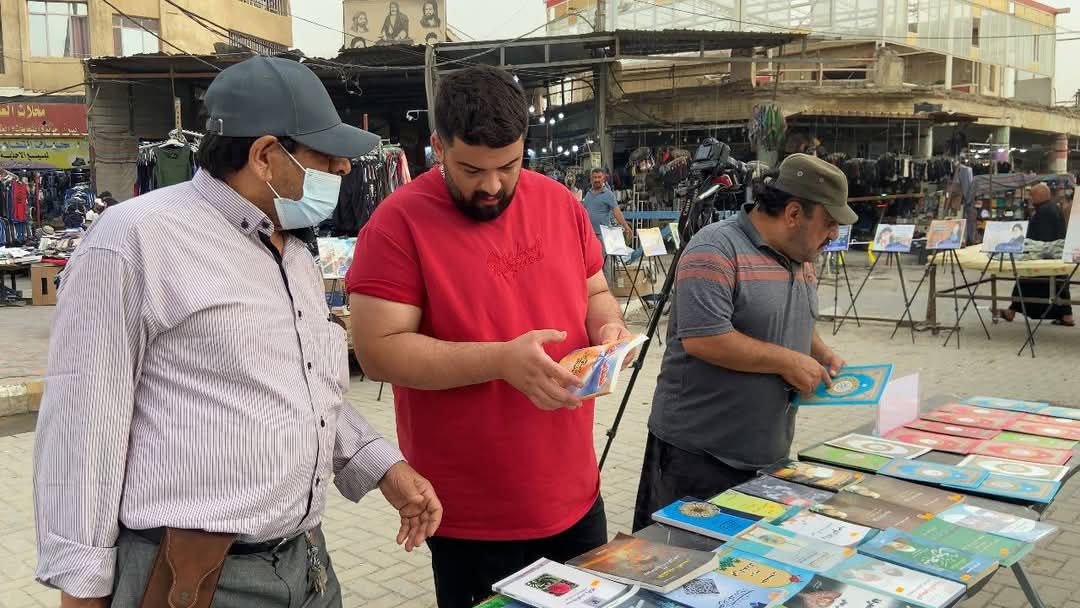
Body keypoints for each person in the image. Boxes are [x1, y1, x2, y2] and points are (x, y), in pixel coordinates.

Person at [33, 56, 442, 608]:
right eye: (325, 156)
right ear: (266, 155)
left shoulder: (292, 251)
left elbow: (304, 386)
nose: (345, 168)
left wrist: (382, 467)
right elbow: (84, 426)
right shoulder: (134, 241)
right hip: (196, 580)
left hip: (306, 563)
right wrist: (82, 590)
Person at [346, 65, 631, 608]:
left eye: (509, 166)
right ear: (438, 147)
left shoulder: (559, 203)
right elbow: (378, 351)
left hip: (575, 493)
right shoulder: (397, 223)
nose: (493, 186)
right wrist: (500, 360)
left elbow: (595, 289)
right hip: (474, 515)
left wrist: (609, 327)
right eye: (472, 169)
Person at [632, 154, 854, 532]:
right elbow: (705, 338)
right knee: (681, 558)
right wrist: (787, 361)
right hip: (698, 459)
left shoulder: (802, 257)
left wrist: (819, 351)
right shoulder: (714, 249)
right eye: (829, 222)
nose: (834, 234)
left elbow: (788, 317)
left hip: (767, 458)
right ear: (794, 213)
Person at [1002, 183, 1073, 326]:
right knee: (1055, 285)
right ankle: (1066, 316)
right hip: (1052, 256)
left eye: (1032, 195)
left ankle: (1011, 312)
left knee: (1028, 282)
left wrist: (1031, 251)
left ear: (1041, 195)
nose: (1030, 198)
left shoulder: (1045, 211)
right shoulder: (1050, 208)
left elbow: (1043, 239)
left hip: (1044, 257)